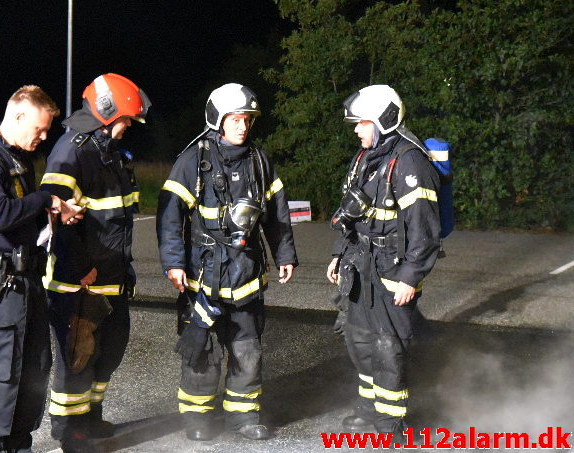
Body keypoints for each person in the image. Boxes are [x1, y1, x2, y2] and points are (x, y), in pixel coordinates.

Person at [156, 83, 298, 442]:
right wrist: (174, 263)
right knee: (201, 350)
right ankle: (198, 418)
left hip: (246, 272)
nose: (242, 126)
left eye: (247, 120)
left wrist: (285, 255)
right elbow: (170, 215)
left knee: (246, 347)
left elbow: (277, 214)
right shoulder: (194, 160)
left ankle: (244, 416)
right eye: (235, 119)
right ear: (217, 119)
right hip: (203, 275)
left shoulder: (259, 161)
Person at [0, 85, 84, 453]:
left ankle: (18, 445)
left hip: (28, 280)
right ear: (17, 117)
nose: (44, 137)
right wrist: (45, 198)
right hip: (1, 286)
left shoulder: (18, 159)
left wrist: (55, 216)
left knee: (34, 369)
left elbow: (24, 220)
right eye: (40, 129)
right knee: (2, 374)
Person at [39, 73, 150, 453]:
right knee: (78, 357)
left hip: (113, 276)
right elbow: (56, 217)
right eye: (126, 118)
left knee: (109, 351)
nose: (129, 126)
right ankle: (69, 429)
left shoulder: (112, 154)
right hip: (79, 282)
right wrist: (80, 266)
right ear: (106, 112)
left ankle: (90, 415)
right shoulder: (71, 150)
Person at [326, 85, 441, 438]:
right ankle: (367, 408)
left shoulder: (409, 161)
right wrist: (337, 254)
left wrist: (410, 276)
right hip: (360, 264)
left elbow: (424, 230)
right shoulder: (366, 156)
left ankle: (392, 423)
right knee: (358, 339)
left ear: (383, 120)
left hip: (392, 269)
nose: (357, 130)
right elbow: (350, 213)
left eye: (362, 123)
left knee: (387, 345)